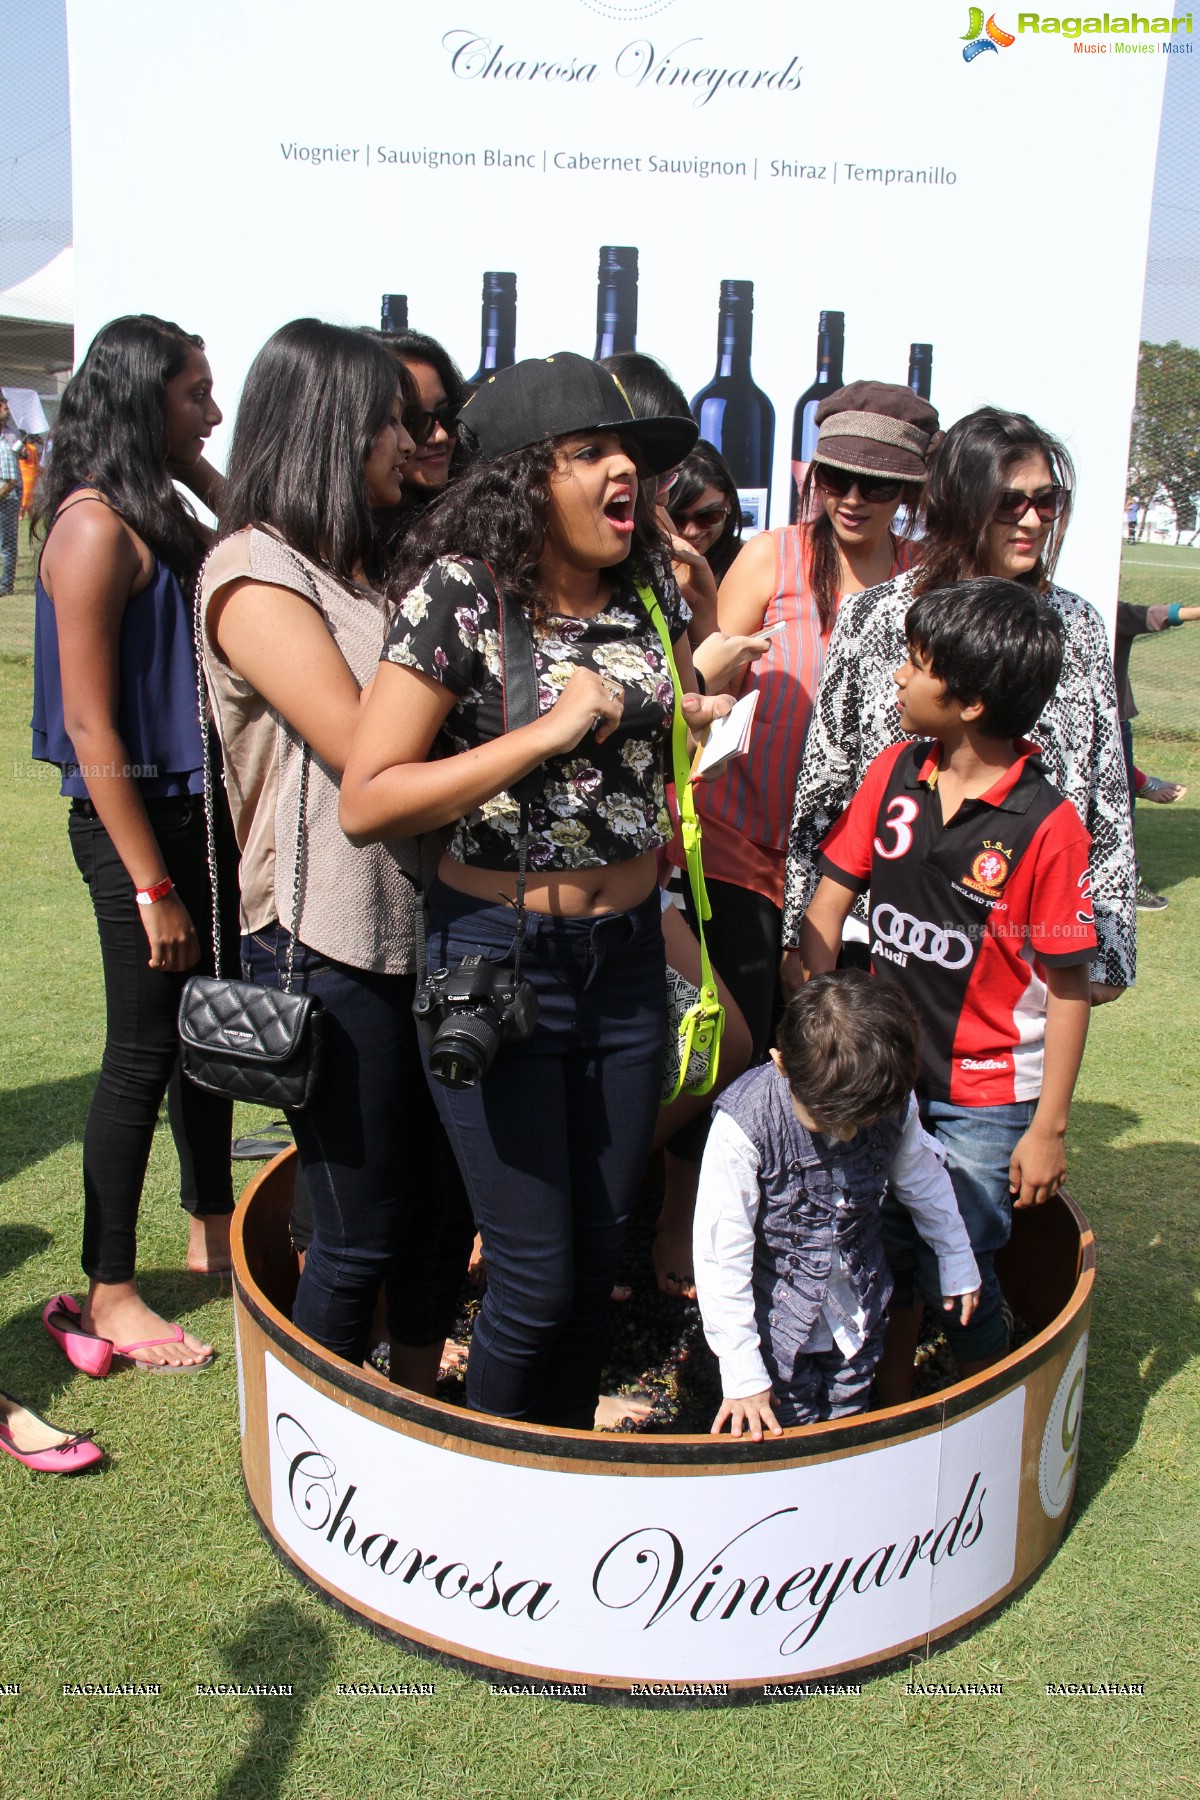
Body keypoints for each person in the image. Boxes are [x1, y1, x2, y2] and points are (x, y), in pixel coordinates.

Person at [340, 352, 733, 1428]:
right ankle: (486, 1498)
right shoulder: (461, 595)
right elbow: (370, 798)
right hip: (496, 963)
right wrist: (547, 731)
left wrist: (690, 705)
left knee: (598, 1257)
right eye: (591, 453)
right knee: (531, 1276)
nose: (625, 473)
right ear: (523, 477)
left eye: (633, 457)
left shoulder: (647, 587)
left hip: (623, 963)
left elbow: (654, 726)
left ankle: (558, 1479)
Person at [200, 318, 466, 1384]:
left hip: (416, 932)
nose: (412, 443)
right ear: (330, 427)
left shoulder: (357, 573)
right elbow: (367, 753)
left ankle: (413, 1407)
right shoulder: (255, 571)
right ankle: (316, 1444)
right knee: (355, 1226)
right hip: (327, 937)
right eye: (392, 423)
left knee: (439, 1205)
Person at [651, 384, 937, 1299]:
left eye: (875, 484)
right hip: (739, 845)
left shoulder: (927, 581)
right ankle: (675, 1231)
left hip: (856, 872)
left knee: (824, 1058)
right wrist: (715, 669)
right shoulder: (771, 560)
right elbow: (700, 697)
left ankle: (804, 1247)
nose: (851, 498)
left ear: (910, 494)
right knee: (726, 1051)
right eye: (837, 477)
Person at [799, 580, 1096, 1399]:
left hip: (986, 1092)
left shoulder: (1048, 826)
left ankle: (992, 1406)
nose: (895, 676)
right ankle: (889, 1410)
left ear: (966, 701)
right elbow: (829, 899)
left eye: (915, 663)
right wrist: (814, 1023)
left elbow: (1070, 985)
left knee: (953, 1253)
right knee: (882, 1245)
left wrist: (1049, 1129)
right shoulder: (895, 770)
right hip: (888, 1075)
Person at [782, 406, 1137, 1008]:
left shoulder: (1074, 626)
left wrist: (1107, 949)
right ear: (959, 504)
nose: (1031, 520)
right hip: (888, 946)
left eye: (1046, 501)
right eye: (1009, 503)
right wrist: (801, 930)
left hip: (1019, 962)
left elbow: (1102, 793)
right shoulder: (878, 617)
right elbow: (825, 783)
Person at [31, 315, 230, 1369]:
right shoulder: (96, 527)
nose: (214, 408)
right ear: (144, 396)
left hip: (188, 814)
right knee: (142, 1050)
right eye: (195, 393)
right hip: (133, 824)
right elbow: (93, 728)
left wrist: (190, 455)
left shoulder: (159, 507)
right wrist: (153, 884)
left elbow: (262, 535)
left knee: (199, 1034)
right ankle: (109, 1288)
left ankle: (212, 1230)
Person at [693, 971, 980, 1438]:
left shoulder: (887, 1095)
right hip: (776, 1329)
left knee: (849, 1419)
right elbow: (720, 1250)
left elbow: (923, 1179)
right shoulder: (743, 1125)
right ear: (781, 1064)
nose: (846, 1134)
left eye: (860, 1122)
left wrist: (956, 1255)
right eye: (828, 1121)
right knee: (790, 1435)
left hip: (858, 1311)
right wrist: (742, 1365)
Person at [1113, 597, 1200, 910]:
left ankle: (1126, 882)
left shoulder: (1113, 610)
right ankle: (1143, 784)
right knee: (1115, 801)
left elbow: (1161, 615)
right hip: (1091, 717)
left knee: (1119, 800)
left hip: (1113, 718)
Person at [665, 438, 741, 583]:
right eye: (677, 518)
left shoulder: (749, 563)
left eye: (707, 516)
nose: (691, 531)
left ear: (729, 502)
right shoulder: (648, 568)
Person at [0, 394, 20, 594]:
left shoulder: (8, 441)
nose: (6, 406)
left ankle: (5, 585)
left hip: (6, 499)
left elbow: (11, 481)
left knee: (7, 544)